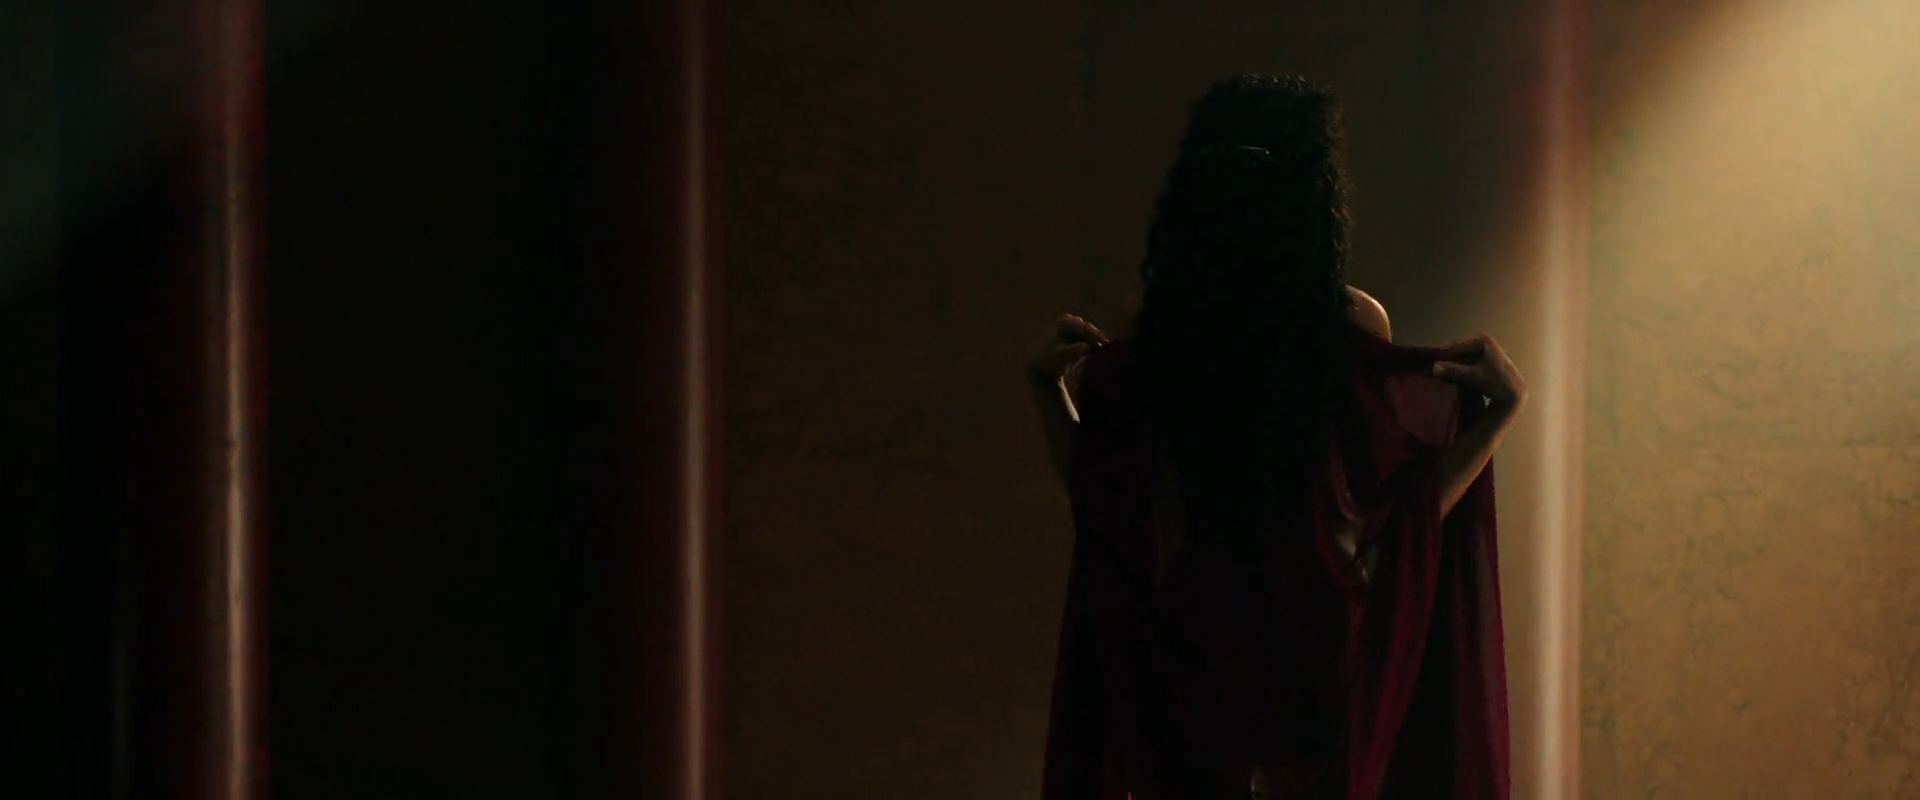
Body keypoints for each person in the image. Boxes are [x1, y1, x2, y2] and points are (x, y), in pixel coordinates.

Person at [1026, 74, 1527, 800]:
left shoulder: (1161, 334)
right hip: (1313, 658)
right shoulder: (1345, 327)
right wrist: (1497, 417)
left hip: (1186, 657)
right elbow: (1389, 528)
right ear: (1315, 199)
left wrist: (1048, 394)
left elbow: (1111, 512)